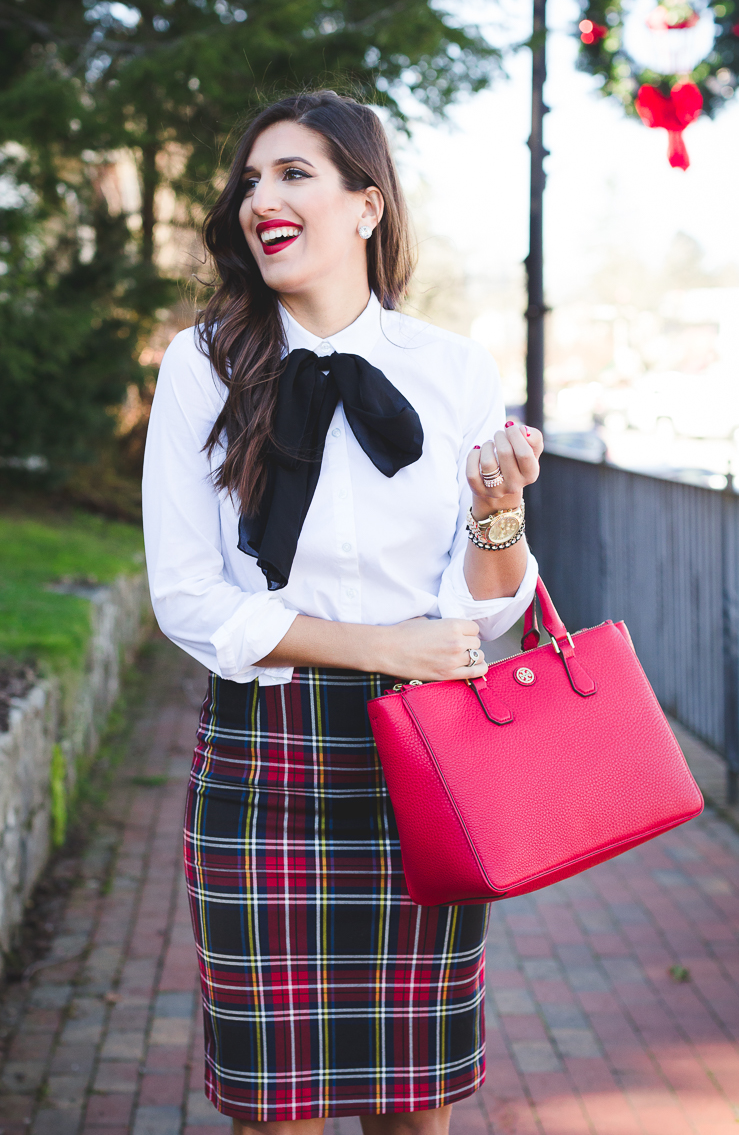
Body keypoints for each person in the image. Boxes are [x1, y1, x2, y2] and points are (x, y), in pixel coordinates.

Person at [142, 91, 543, 1135]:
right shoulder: (203, 366)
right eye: (249, 181)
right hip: (265, 767)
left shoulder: (453, 370)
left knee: (416, 1109)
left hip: (426, 770)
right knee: (278, 1113)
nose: (257, 198)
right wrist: (380, 647)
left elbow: (481, 609)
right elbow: (189, 597)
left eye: (292, 174)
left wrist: (500, 517)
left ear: (367, 207)